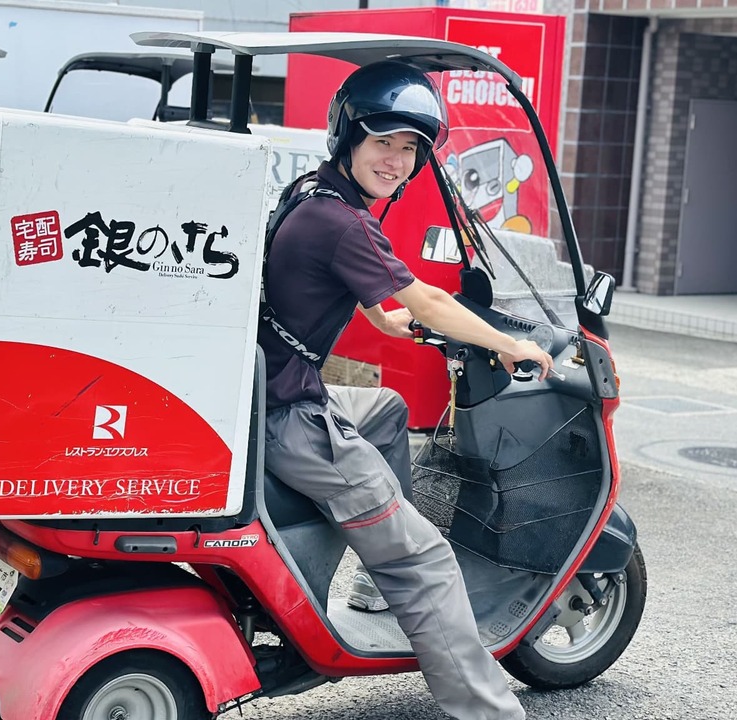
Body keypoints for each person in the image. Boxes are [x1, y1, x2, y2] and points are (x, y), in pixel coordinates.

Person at [258, 60, 554, 720]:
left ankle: (373, 581)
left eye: (409, 149)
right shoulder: (345, 223)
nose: (395, 160)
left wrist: (386, 321)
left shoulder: (315, 195)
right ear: (349, 137)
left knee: (386, 410)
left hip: (275, 393)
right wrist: (510, 344)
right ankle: (488, 711)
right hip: (290, 417)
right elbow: (422, 295)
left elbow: (375, 292)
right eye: (383, 142)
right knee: (427, 560)